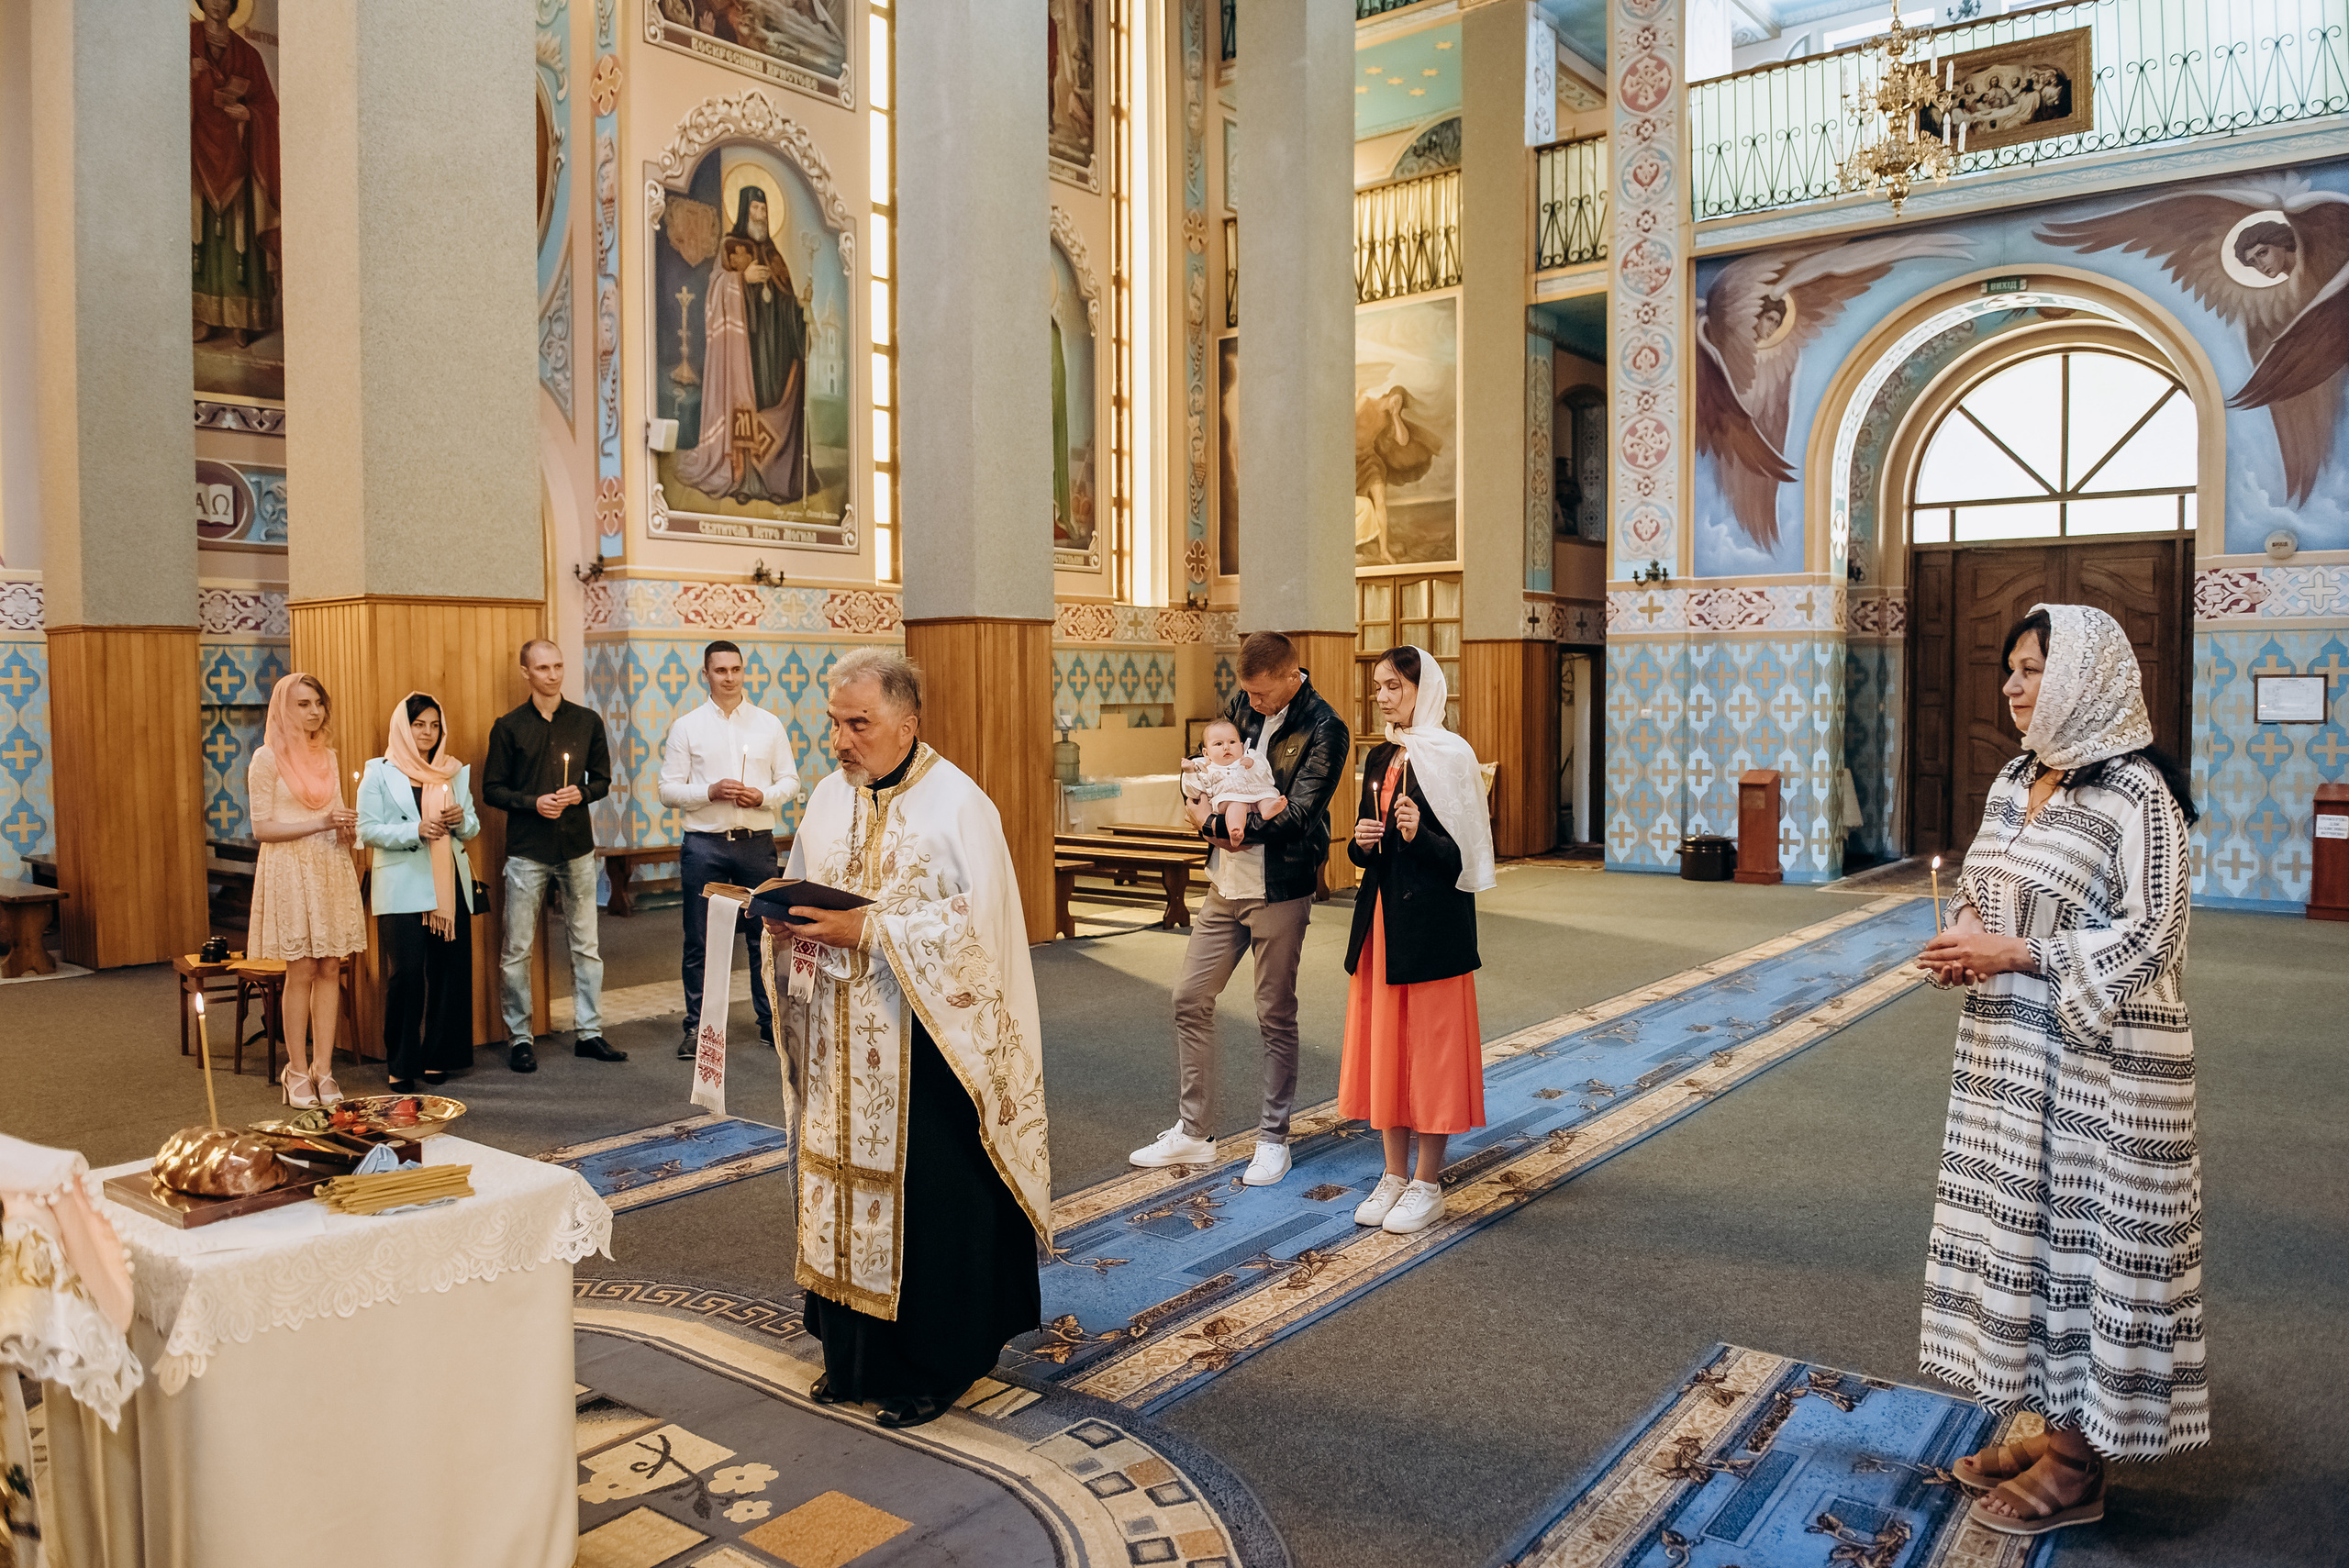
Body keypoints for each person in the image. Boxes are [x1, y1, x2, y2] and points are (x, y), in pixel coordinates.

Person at [1915, 605, 2205, 1537]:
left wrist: (2019, 956)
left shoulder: (2137, 795)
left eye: (2032, 667)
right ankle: (2051, 1428)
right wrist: (1964, 933)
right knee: (2028, 1238)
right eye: (2008, 668)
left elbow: (2154, 932)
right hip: (2010, 1054)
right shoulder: (2013, 779)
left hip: (2104, 1070)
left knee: (2085, 1243)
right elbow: (1987, 884)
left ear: (2087, 676)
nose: (2011, 685)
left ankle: (2079, 1466)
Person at [758, 650, 1049, 1429]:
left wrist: (871, 929)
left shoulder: (960, 805)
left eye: (861, 724)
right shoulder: (825, 798)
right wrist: (788, 926)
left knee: (930, 1204)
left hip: (928, 1048)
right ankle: (852, 1358)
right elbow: (805, 894)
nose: (842, 741)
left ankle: (933, 1365)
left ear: (907, 723)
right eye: (835, 723)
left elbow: (979, 931)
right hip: (837, 1045)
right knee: (837, 1183)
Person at [1129, 630, 1351, 1187]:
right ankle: (1194, 1130)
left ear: (1289, 673)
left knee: (1274, 1012)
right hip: (1224, 887)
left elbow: (1301, 813)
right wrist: (1203, 815)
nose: (1249, 705)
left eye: (1260, 694)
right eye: (1244, 694)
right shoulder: (1240, 705)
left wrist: (1233, 830)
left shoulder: (1325, 727)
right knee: (1189, 996)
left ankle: (1274, 1138)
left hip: (1279, 887)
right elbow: (1207, 770)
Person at [1340, 647, 1493, 1235]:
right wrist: (1365, 840)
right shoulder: (1381, 756)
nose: (1381, 696)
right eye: (1378, 686)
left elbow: (1465, 857)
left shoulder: (1452, 756)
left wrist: (1419, 834)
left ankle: (1428, 1181)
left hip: (1433, 926)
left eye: (1393, 687)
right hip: (1382, 923)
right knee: (1388, 1047)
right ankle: (1392, 1175)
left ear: (1423, 689)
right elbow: (1361, 850)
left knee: (1430, 1052)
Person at [658, 639, 801, 1059]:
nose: (729, 677)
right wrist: (710, 791)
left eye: (736, 669)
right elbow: (667, 790)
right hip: (705, 845)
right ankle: (699, 1029)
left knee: (765, 935)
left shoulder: (768, 724)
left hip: (756, 845)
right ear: (706, 674)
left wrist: (763, 796)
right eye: (720, 670)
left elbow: (791, 782)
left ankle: (769, 1021)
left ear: (744, 671)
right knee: (702, 939)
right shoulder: (687, 726)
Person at [484, 639, 618, 1073]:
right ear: (526, 673)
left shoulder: (586, 721)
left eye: (558, 666)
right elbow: (492, 789)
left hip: (577, 844)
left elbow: (602, 780)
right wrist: (532, 802)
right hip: (528, 849)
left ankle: (590, 1033)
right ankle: (520, 1038)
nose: (553, 674)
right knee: (517, 948)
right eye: (542, 668)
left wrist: (581, 792)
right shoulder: (508, 726)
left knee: (586, 945)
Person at [246, 673, 366, 1107]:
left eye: (318, 702)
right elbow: (262, 828)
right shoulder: (266, 758)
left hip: (328, 866)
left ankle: (324, 1069)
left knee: (331, 968)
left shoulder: (328, 757)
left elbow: (334, 816)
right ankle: (295, 1070)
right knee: (301, 971)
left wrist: (347, 832)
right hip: (290, 867)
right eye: (303, 704)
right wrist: (320, 823)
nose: (314, 711)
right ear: (283, 708)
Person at [359, 694, 481, 1089]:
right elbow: (366, 830)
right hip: (401, 885)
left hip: (448, 884)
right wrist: (414, 830)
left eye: (434, 725)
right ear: (403, 727)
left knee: (448, 973)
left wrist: (462, 820)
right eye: (419, 725)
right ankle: (402, 1061)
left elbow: (473, 828)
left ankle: (438, 1056)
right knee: (407, 974)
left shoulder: (453, 771)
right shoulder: (379, 772)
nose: (427, 733)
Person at [676, 184, 808, 504]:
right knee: (747, 408)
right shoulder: (730, 248)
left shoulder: (775, 255)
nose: (760, 216)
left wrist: (798, 307)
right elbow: (715, 292)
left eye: (764, 210)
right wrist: (740, 279)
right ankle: (747, 478)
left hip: (775, 351)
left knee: (778, 399)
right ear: (743, 210)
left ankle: (777, 479)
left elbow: (786, 300)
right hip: (746, 353)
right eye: (755, 210)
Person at [190, 0, 281, 348]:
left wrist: (249, 115)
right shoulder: (183, 44)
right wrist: (187, 76)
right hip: (196, 158)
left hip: (240, 160)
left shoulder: (249, 55)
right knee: (202, 240)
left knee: (238, 238)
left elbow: (270, 109)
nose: (217, 1)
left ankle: (243, 319)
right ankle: (203, 317)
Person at [1185, 717, 1285, 845]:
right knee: (1236, 806)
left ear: (1241, 746)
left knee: (1266, 794)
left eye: (1232, 742)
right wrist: (1190, 773)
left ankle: (1268, 809)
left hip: (1253, 792)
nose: (1226, 747)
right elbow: (1194, 792)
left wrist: (1252, 766)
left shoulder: (1249, 757)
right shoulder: (1207, 768)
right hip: (1229, 797)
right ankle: (1235, 830)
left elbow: (1265, 776)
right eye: (1218, 744)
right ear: (1206, 753)